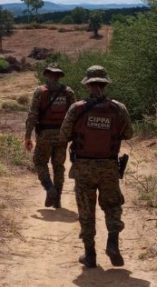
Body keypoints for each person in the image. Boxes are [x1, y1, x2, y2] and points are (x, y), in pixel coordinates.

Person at [60, 65, 133, 268]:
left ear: (88, 85)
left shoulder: (77, 108)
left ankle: (90, 254)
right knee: (112, 205)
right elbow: (129, 134)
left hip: (83, 166)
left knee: (86, 209)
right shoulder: (118, 108)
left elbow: (64, 135)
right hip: (109, 166)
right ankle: (112, 243)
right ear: (105, 84)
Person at [24, 63, 75, 208]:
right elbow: (74, 115)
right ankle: (57, 198)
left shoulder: (40, 91)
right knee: (58, 166)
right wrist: (74, 136)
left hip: (45, 134)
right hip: (62, 135)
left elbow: (32, 115)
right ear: (59, 76)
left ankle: (49, 189)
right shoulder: (68, 92)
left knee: (40, 162)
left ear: (47, 75)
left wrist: (27, 136)